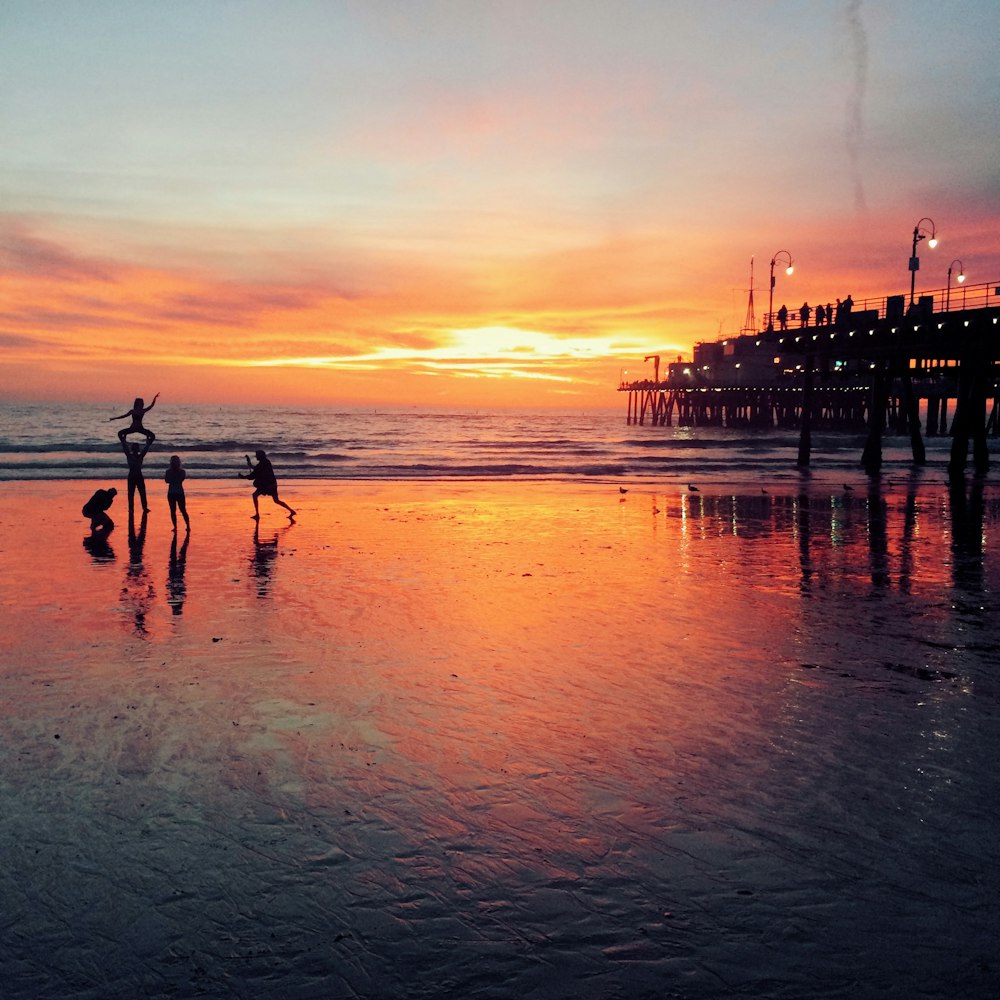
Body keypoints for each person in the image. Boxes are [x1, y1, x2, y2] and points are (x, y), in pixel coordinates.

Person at [240, 449, 296, 519]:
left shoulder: (262, 464)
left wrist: (244, 477)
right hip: (272, 483)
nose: (256, 457)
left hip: (266, 485)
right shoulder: (266, 462)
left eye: (257, 455)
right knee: (276, 500)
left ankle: (257, 514)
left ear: (260, 456)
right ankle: (291, 511)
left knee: (255, 495)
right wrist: (249, 462)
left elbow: (253, 474)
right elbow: (256, 469)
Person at [122, 437, 152, 514]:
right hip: (134, 475)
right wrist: (148, 443)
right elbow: (126, 448)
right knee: (134, 493)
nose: (135, 449)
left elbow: (145, 450)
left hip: (136, 475)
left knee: (139, 493)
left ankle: (142, 508)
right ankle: (134, 508)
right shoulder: (132, 456)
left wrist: (124, 441)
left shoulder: (135, 456)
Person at [164, 454, 191, 531]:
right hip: (179, 492)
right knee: (183, 510)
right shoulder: (182, 472)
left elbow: (166, 481)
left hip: (171, 492)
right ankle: (188, 526)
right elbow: (181, 480)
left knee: (173, 510)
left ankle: (175, 527)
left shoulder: (168, 471)